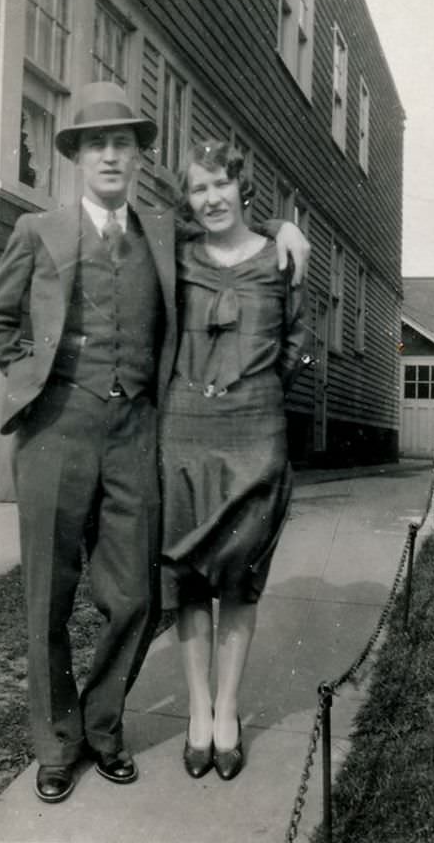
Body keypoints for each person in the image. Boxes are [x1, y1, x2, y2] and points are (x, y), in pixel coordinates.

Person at [0, 82, 310, 804]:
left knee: (134, 598)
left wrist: (285, 225)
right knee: (49, 599)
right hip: (56, 434)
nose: (110, 156)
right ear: (76, 157)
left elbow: (231, 223)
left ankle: (104, 726)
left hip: (136, 436)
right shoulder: (41, 231)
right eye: (97, 144)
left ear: (137, 159)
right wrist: (30, 380)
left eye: (122, 144)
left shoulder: (162, 230)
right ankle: (59, 745)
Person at [159, 139, 311, 782]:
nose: (212, 198)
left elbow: (298, 342)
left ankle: (230, 712)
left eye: (221, 183)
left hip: (256, 432)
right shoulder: (175, 258)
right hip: (184, 432)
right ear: (188, 200)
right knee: (189, 578)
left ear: (241, 186)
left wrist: (260, 394)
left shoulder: (282, 260)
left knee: (240, 579)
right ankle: (198, 712)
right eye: (198, 188)